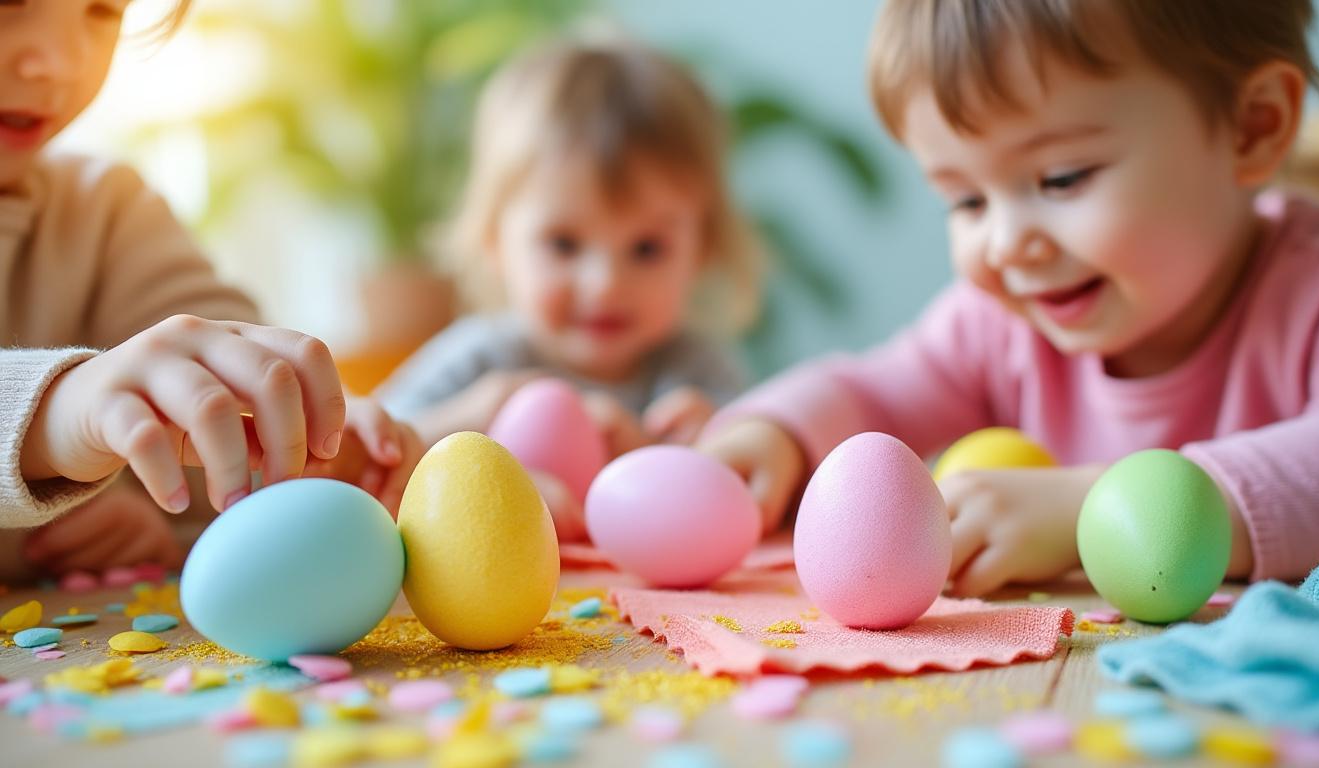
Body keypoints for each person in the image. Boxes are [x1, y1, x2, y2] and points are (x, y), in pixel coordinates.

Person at [701, 0, 1319, 595]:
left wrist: (1089, 511)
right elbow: (877, 389)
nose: (1006, 245)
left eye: (1061, 178)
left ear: (1253, 127)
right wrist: (777, 432)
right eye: (967, 200)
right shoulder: (1002, 326)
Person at [0, 0, 420, 579]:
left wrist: (324, 445)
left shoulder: (107, 212)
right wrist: (61, 411)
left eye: (101, 11)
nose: (65, 62)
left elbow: (227, 404)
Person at [378, 37, 764, 537]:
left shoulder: (696, 372)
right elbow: (376, 453)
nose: (604, 286)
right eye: (563, 245)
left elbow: (745, 498)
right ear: (495, 240)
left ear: (702, 249)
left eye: (647, 249)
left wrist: (700, 450)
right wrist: (475, 427)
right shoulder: (481, 362)